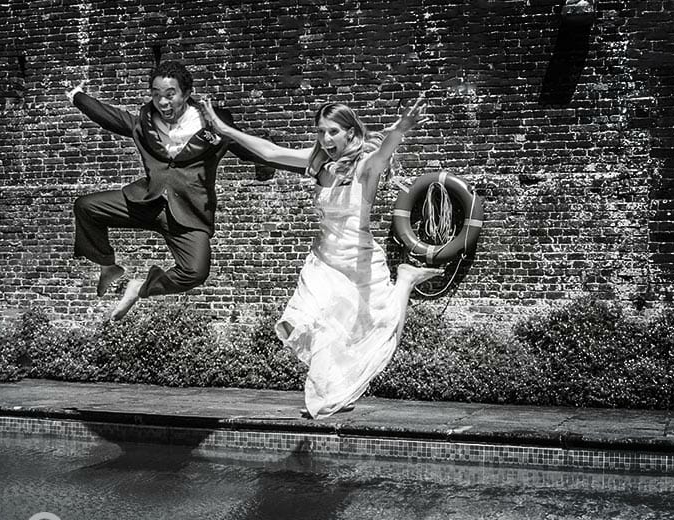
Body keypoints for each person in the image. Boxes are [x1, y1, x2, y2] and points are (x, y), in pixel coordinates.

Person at [202, 95, 443, 419]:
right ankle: (333, 394)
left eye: (332, 132)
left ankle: (405, 279)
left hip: (359, 261)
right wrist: (224, 129)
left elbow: (384, 152)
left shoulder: (365, 168)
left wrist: (401, 128)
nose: (326, 140)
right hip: (325, 261)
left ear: (349, 133)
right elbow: (270, 152)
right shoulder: (317, 164)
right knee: (317, 326)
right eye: (320, 132)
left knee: (383, 330)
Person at [66, 61, 268, 319]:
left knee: (195, 272)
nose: (162, 102)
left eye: (170, 95)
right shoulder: (144, 122)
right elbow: (111, 118)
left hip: (188, 212)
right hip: (147, 203)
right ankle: (108, 265)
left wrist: (277, 165)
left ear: (186, 93)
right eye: (156, 94)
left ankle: (138, 288)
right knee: (86, 207)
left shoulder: (213, 124)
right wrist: (78, 97)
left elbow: (247, 148)